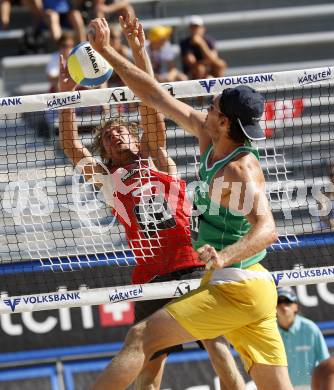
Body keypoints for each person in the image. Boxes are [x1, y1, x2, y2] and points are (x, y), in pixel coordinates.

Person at [87, 17, 293, 390]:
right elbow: (154, 95)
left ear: (225, 121)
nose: (207, 106)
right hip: (253, 285)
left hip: (236, 283)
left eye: (213, 106)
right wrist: (110, 52)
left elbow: (268, 229)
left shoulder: (238, 171)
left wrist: (226, 255)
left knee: (140, 338)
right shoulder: (209, 134)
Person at [59, 15, 245, 390]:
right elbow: (72, 146)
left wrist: (139, 48)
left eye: (121, 131)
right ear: (107, 152)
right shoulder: (110, 181)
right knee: (149, 366)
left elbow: (151, 102)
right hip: (149, 276)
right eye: (109, 137)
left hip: (191, 262)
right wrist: (66, 95)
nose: (115, 137)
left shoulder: (159, 158)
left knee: (217, 345)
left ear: (135, 137)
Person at [277, 287, 329, 390]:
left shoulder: (310, 328)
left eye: (287, 301)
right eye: (279, 302)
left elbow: (325, 363)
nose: (283, 306)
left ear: (295, 306)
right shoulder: (270, 331)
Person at [180, 15, 226, 79]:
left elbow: (213, 58)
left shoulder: (209, 40)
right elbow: (191, 62)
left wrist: (201, 44)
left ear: (203, 29)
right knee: (199, 69)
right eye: (192, 27)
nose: (195, 30)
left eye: (197, 27)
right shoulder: (185, 43)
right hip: (193, 72)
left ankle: (220, 86)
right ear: (189, 29)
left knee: (220, 64)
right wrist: (206, 62)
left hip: (207, 68)